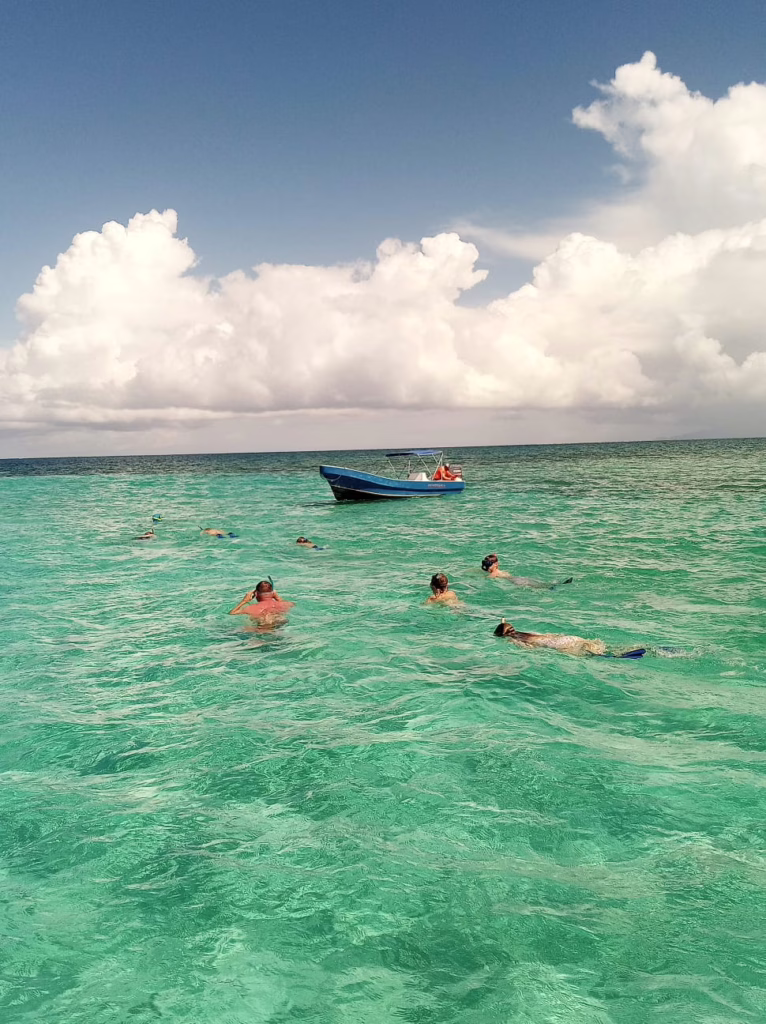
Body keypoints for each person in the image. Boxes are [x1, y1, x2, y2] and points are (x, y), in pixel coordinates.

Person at [494, 619, 645, 658]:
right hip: (566, 638)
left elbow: (530, 649)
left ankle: (615, 657)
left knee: (593, 656)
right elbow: (550, 637)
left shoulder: (515, 640)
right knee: (597, 648)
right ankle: (625, 652)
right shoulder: (529, 634)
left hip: (559, 645)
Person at [481, 554, 572, 589]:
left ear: (495, 565)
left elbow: (487, 579)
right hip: (518, 579)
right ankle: (555, 585)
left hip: (517, 581)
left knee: (535, 586)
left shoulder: (494, 573)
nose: (488, 568)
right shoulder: (499, 571)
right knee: (537, 584)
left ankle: (552, 587)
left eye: (489, 565)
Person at [229, 580, 294, 623]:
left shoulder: (251, 608)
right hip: (278, 632)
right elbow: (289, 604)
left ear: (256, 594)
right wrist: (277, 598)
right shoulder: (287, 604)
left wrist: (244, 601)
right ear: (273, 593)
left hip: (259, 634)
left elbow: (232, 613)